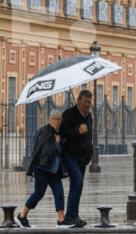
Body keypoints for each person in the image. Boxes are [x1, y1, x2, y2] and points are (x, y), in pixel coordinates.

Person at [17, 110, 66, 228]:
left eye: (59, 119)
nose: (56, 121)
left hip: (53, 171)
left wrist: (60, 142)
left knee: (59, 193)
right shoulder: (45, 132)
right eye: (54, 118)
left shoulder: (56, 133)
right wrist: (58, 143)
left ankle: (61, 220)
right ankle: (22, 216)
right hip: (42, 169)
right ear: (49, 120)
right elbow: (47, 152)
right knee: (38, 193)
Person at [58, 90, 93, 227]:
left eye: (89, 102)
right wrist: (77, 131)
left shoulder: (89, 117)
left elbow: (89, 137)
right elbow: (62, 134)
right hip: (70, 155)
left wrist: (89, 154)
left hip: (83, 158)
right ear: (78, 100)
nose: (87, 105)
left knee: (77, 185)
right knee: (77, 181)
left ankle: (74, 215)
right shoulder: (69, 114)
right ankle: (69, 215)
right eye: (85, 102)